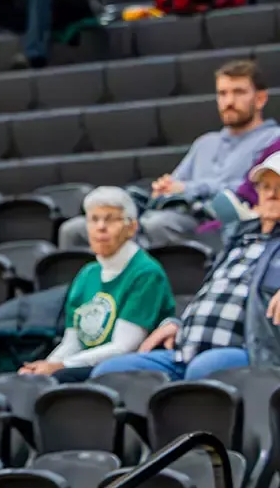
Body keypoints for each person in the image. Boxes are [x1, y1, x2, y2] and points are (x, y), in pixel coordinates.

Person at [90, 158, 277, 381]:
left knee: (203, 368)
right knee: (108, 373)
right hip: (185, 350)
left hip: (252, 353)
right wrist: (178, 323)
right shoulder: (239, 240)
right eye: (266, 187)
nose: (271, 194)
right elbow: (212, 296)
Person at [59, 61, 277, 247]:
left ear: (260, 99)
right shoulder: (206, 142)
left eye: (238, 92)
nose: (229, 102)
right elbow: (175, 183)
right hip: (175, 213)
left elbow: (249, 191)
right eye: (222, 93)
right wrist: (165, 188)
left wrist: (188, 188)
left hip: (213, 220)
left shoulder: (273, 140)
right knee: (74, 229)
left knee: (156, 224)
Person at [20, 188, 175, 383]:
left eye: (111, 220)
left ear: (131, 228)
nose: (101, 227)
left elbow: (124, 347)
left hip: (130, 374)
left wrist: (61, 366)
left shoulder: (146, 273)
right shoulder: (87, 274)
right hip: (85, 366)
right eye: (94, 219)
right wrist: (45, 367)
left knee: (62, 377)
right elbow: (72, 342)